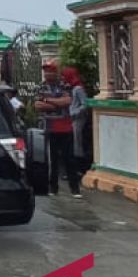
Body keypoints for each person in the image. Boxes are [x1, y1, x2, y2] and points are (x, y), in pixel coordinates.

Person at [36, 62, 79, 197]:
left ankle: (75, 189)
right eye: (46, 71)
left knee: (69, 158)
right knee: (51, 160)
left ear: (55, 73)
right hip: (49, 127)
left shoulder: (64, 85)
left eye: (50, 71)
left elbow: (67, 101)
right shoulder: (41, 87)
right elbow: (38, 105)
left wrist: (48, 101)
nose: (47, 73)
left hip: (66, 127)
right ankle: (53, 188)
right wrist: (56, 103)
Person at [64, 66, 92, 173]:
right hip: (72, 119)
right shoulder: (72, 88)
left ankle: (79, 168)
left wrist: (75, 112)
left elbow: (85, 104)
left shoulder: (78, 89)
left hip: (78, 119)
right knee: (73, 142)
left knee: (77, 142)